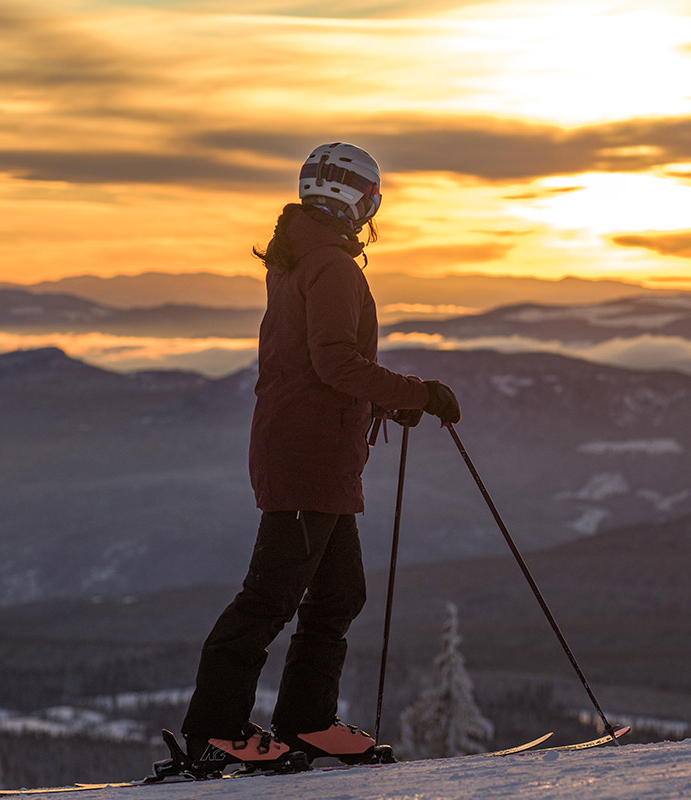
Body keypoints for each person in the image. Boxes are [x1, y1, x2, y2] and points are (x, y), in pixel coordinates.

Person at [176, 142, 462, 776]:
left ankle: (306, 722)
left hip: (311, 452)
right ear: (364, 202)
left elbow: (313, 366)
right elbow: (335, 362)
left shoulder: (296, 258)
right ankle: (216, 729)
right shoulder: (332, 265)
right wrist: (416, 393)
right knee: (271, 597)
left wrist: (390, 403)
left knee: (338, 595)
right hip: (310, 457)